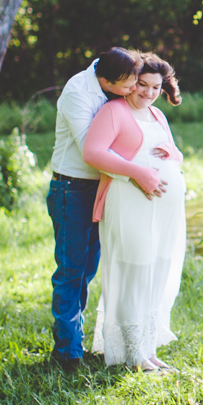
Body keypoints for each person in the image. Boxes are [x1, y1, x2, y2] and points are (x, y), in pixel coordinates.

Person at [81, 53, 186, 372]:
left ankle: (147, 348)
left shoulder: (157, 115)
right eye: (142, 85)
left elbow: (174, 155)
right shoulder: (114, 111)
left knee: (155, 271)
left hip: (163, 212)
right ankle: (131, 353)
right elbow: (93, 152)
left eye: (156, 87)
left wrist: (174, 155)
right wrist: (137, 173)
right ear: (131, 82)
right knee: (132, 273)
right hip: (128, 204)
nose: (149, 92)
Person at [45, 46, 145, 372]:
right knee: (71, 271)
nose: (134, 89)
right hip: (72, 189)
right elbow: (94, 149)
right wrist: (138, 168)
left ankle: (73, 343)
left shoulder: (113, 86)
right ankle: (67, 355)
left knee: (87, 269)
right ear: (105, 80)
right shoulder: (78, 92)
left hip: (101, 187)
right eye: (128, 85)